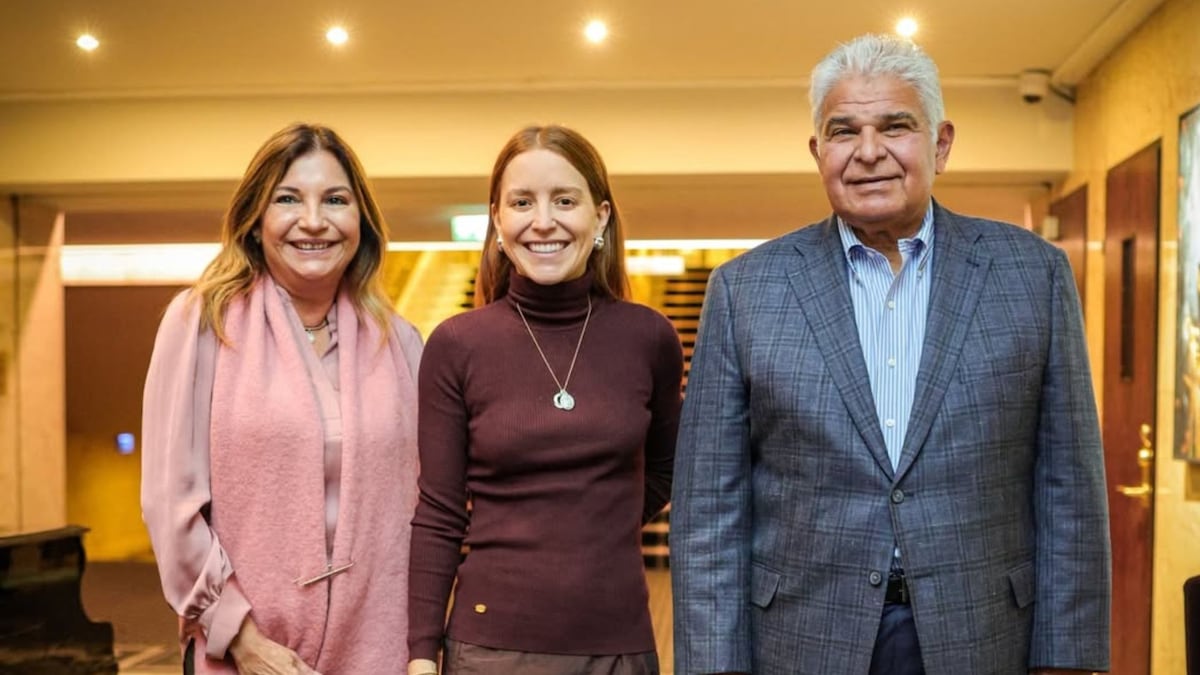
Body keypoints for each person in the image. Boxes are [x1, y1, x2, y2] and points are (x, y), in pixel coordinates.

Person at [670, 34, 1110, 675]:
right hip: (802, 639)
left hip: (983, 634)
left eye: (895, 126)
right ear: (818, 152)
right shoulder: (744, 290)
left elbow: (1068, 486)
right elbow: (710, 506)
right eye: (843, 131)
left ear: (941, 143)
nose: (868, 152)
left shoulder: (1032, 274)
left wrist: (1068, 658)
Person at [141, 123, 423, 674]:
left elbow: (426, 503)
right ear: (255, 220)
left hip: (377, 649)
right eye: (287, 199)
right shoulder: (201, 323)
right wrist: (241, 639)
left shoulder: (401, 342)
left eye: (335, 200)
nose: (313, 221)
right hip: (247, 653)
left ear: (361, 222)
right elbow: (169, 504)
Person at [407, 124, 683, 675]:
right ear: (497, 220)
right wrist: (420, 654)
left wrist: (592, 520)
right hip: (490, 648)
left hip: (619, 644)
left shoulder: (648, 337)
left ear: (600, 216)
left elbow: (669, 469)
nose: (543, 221)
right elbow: (438, 512)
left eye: (564, 200)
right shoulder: (457, 344)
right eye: (522, 202)